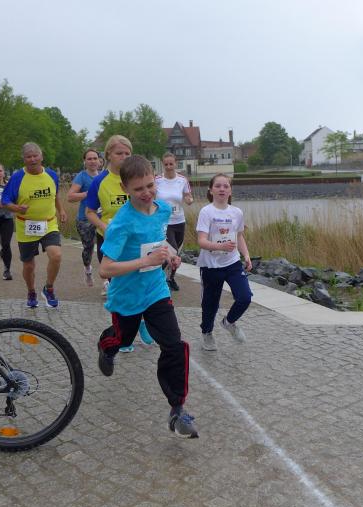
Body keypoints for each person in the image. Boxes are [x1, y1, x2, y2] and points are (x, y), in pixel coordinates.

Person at [96, 155, 198, 438]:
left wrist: (171, 255)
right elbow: (105, 268)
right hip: (127, 297)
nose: (146, 193)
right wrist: (146, 261)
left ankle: (177, 410)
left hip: (155, 290)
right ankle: (106, 347)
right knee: (122, 339)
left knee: (174, 344)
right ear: (125, 188)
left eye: (150, 185)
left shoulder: (163, 209)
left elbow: (159, 241)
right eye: (138, 188)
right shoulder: (122, 223)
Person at [1, 142, 67, 308]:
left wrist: (61, 210)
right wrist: (17, 208)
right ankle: (31, 291)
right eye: (28, 157)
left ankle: (49, 288)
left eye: (35, 156)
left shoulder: (52, 175)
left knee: (56, 256)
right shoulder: (17, 177)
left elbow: (55, 195)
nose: (32, 159)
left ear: (41, 156)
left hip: (49, 223)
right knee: (29, 265)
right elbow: (5, 201)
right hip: (26, 226)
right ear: (23, 159)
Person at [196, 174, 253, 351]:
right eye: (218, 186)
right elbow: (201, 241)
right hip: (211, 265)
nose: (222, 189)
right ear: (210, 190)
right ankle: (207, 333)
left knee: (245, 297)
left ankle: (229, 322)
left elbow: (239, 236)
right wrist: (219, 246)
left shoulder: (237, 212)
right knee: (210, 304)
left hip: (232, 262)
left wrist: (246, 255)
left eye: (226, 186)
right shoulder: (206, 212)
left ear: (230, 191)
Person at [85, 135, 132, 297]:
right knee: (117, 287)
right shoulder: (99, 181)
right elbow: (89, 212)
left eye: (127, 153)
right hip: (109, 239)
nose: (124, 157)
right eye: (119, 153)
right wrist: (104, 227)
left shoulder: (135, 177)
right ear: (108, 155)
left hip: (133, 238)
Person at [155, 152, 193, 291]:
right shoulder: (157, 180)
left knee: (177, 252)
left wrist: (189, 200)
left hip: (179, 220)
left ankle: (171, 278)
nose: (169, 167)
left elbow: (188, 195)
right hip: (164, 222)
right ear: (163, 164)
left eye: (171, 164)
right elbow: (151, 196)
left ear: (175, 163)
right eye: (166, 164)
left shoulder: (182, 180)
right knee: (171, 250)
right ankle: (157, 278)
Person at [67, 148, 100, 287]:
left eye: (95, 158)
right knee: (88, 248)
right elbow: (70, 197)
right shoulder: (81, 176)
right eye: (89, 159)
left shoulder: (103, 176)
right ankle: (88, 270)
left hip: (102, 218)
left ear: (99, 161)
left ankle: (107, 281)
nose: (92, 161)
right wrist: (88, 193)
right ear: (84, 161)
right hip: (85, 219)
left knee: (105, 247)